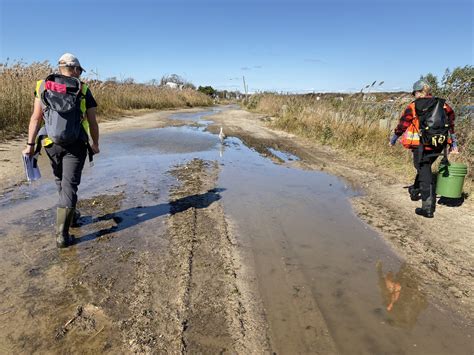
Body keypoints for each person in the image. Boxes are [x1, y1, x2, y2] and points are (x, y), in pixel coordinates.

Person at [22, 53, 100, 247]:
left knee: (60, 180)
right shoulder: (83, 88)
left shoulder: (42, 85)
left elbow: (35, 118)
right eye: (80, 70)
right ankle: (62, 235)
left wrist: (30, 145)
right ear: (74, 69)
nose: (80, 74)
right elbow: (92, 120)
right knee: (70, 185)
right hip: (76, 144)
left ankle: (70, 217)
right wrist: (95, 143)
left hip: (50, 143)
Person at [389, 79, 458, 218]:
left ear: (419, 92)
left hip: (420, 145)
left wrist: (394, 139)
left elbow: (403, 124)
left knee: (423, 170)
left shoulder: (413, 106)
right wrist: (454, 144)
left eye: (414, 92)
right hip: (438, 144)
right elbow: (451, 122)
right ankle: (415, 190)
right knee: (423, 167)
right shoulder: (443, 104)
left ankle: (427, 208)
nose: (414, 95)